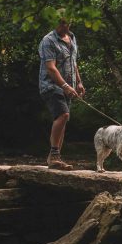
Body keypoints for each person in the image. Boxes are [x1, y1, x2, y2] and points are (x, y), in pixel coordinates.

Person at [38, 17, 84, 170]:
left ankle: (56, 158)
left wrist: (78, 82)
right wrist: (64, 85)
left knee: (63, 119)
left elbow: (73, 62)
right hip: (51, 85)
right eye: (60, 23)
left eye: (66, 23)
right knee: (63, 115)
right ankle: (54, 155)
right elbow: (51, 68)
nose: (64, 26)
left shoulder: (72, 37)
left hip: (68, 86)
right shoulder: (48, 40)